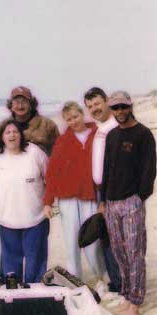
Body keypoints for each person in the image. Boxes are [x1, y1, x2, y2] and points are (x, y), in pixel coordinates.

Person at [99, 91, 156, 315]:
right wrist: (103, 199)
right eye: (115, 108)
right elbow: (106, 169)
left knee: (135, 251)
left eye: (123, 107)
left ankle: (136, 299)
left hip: (132, 200)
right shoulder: (112, 135)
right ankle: (125, 293)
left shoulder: (143, 134)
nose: (120, 112)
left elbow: (150, 168)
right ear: (111, 110)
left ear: (130, 106)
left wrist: (140, 196)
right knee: (119, 251)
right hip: (111, 202)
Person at [43, 101, 106, 285]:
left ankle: (103, 279)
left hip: (90, 196)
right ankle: (75, 283)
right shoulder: (62, 141)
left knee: (93, 243)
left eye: (76, 116)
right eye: (68, 119)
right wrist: (47, 201)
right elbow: (52, 172)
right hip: (67, 200)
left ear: (82, 114)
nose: (73, 121)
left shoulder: (98, 135)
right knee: (71, 243)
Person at [0, 119, 49, 284]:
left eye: (15, 132)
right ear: (2, 137)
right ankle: (13, 298)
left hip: (36, 218)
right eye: (7, 132)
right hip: (7, 219)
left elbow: (49, 178)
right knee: (11, 264)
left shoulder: (35, 152)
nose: (12, 135)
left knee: (35, 262)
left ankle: (34, 297)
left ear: (21, 135)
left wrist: (48, 203)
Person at [84, 87, 122, 296]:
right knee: (106, 238)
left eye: (97, 104)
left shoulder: (116, 127)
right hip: (99, 190)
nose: (94, 109)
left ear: (107, 101)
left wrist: (106, 198)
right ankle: (116, 283)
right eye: (90, 106)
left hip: (114, 192)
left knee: (118, 240)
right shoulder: (99, 128)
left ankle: (123, 284)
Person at [6, 86, 60, 156]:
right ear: (11, 105)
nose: (20, 106)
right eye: (16, 102)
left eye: (24, 102)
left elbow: (60, 152)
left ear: (31, 104)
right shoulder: (3, 128)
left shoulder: (48, 125)